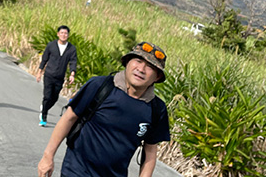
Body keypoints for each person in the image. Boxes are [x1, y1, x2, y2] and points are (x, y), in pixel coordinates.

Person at [38, 41, 170, 177]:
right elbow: (68, 118)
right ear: (127, 62)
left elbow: (150, 152)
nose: (141, 69)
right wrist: (48, 156)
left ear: (157, 76)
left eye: (150, 67)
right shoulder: (100, 86)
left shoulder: (156, 109)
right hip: (77, 170)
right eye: (138, 61)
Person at [36, 25, 77, 127]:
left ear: (68, 35)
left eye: (66, 33)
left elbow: (73, 62)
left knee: (54, 98)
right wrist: (39, 72)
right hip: (49, 75)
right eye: (62, 33)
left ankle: (44, 107)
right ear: (58, 34)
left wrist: (72, 74)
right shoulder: (51, 45)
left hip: (60, 77)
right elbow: (44, 59)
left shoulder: (71, 48)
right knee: (47, 96)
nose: (64, 35)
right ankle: (43, 117)